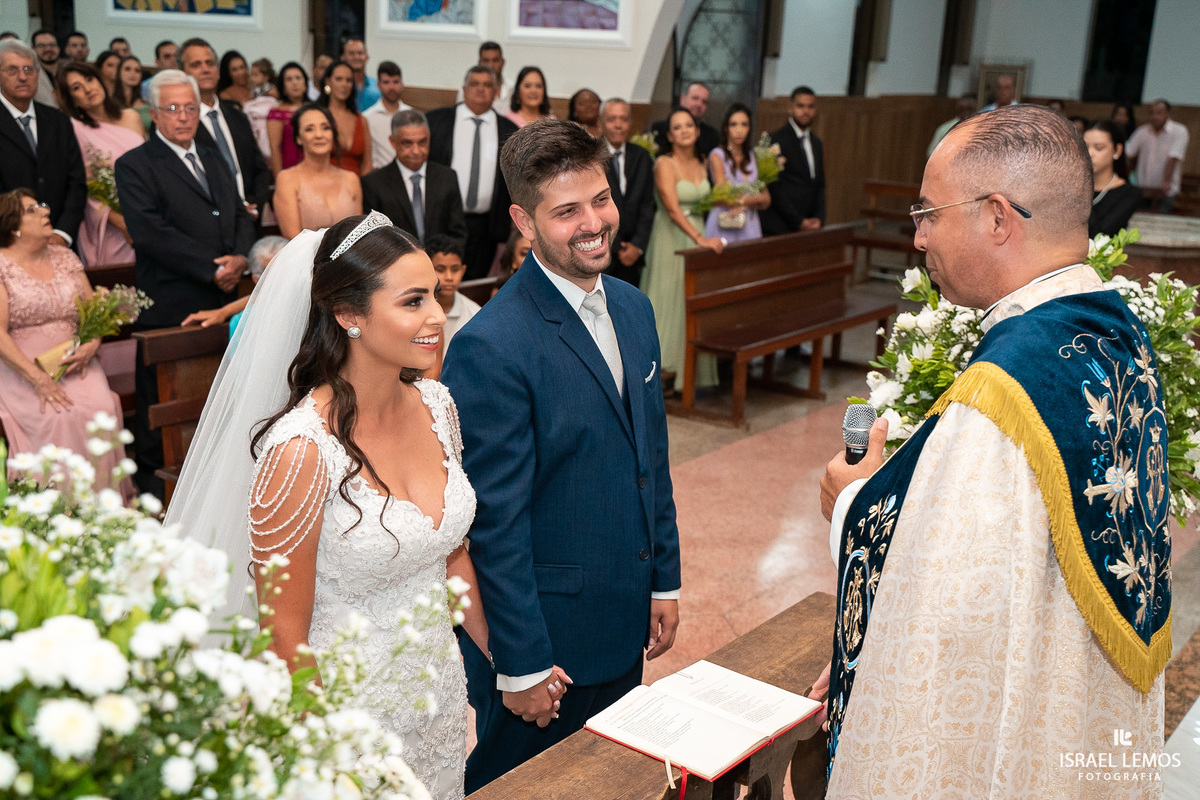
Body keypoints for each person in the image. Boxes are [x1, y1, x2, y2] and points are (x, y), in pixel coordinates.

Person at [817, 104, 1169, 799]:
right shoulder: (1115, 335)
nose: (918, 238)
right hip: (1062, 709)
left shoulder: (1009, 388)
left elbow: (951, 608)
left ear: (998, 218)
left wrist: (849, 499)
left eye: (928, 214)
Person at [166, 213, 491, 800]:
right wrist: (333, 756)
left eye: (437, 298)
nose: (438, 317)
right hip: (344, 720)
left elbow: (450, 557)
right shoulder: (299, 450)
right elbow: (282, 635)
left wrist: (512, 659)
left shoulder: (438, 406)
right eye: (413, 301)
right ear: (349, 315)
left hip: (436, 698)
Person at [442, 119, 680, 794]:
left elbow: (651, 459)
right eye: (566, 211)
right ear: (523, 220)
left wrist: (663, 578)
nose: (594, 223)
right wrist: (520, 664)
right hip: (547, 643)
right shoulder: (493, 344)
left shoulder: (633, 309)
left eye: (600, 200)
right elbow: (493, 522)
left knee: (610, 782)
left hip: (622, 612)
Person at [115, 69, 256, 496]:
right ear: (154, 115)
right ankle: (155, 487)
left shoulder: (213, 156)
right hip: (172, 298)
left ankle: (212, 479)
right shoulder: (135, 165)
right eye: (172, 109)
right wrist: (211, 266)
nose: (182, 117)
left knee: (218, 395)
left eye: (190, 108)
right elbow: (150, 233)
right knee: (164, 401)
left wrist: (239, 257)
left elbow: (237, 214)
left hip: (224, 294)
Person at [0, 188, 132, 499]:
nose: (46, 212)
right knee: (59, 416)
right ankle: (61, 512)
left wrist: (92, 344)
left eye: (44, 206)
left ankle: (105, 506)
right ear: (13, 226)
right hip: (23, 369)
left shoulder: (66, 257)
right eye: (33, 210)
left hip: (79, 361)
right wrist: (40, 381)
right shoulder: (2, 265)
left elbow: (94, 312)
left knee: (101, 408)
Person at [642, 108, 723, 394]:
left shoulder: (702, 162)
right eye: (677, 127)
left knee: (690, 302)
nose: (685, 130)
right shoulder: (664, 163)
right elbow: (673, 208)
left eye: (689, 125)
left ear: (697, 131)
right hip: (671, 237)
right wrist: (699, 238)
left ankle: (690, 373)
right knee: (668, 298)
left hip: (699, 233)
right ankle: (661, 372)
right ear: (669, 135)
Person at [427, 66, 518, 279]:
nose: (480, 89)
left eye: (487, 85)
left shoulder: (509, 129)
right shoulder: (437, 121)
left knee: (476, 282)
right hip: (443, 219)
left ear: (496, 92)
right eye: (474, 84)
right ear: (464, 88)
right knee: (440, 279)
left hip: (486, 225)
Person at [0, 39, 87, 250]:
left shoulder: (58, 120)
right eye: (12, 70)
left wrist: (62, 233)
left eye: (29, 69)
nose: (23, 77)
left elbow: (76, 183)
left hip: (59, 242)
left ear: (38, 74)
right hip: (7, 244)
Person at [56, 61, 145, 267]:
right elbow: (86, 187)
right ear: (72, 100)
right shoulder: (75, 130)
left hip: (147, 212)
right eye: (77, 88)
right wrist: (124, 223)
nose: (88, 89)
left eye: (89, 79)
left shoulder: (131, 116)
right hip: (112, 226)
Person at [179, 38, 273, 226]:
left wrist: (253, 204)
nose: (205, 69)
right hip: (206, 226)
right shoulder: (180, 123)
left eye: (210, 63)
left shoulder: (237, 116)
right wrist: (229, 210)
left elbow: (260, 170)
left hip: (250, 221)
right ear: (183, 73)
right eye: (196, 64)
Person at [362, 108, 464, 246]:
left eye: (422, 142)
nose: (416, 151)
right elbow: (373, 238)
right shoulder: (373, 184)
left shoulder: (447, 177)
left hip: (439, 263)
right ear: (393, 142)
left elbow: (458, 233)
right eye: (407, 143)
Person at [273, 104, 361, 239]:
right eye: (309, 129)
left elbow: (358, 234)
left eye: (325, 128)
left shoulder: (351, 178)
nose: (319, 135)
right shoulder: (287, 179)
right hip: (304, 258)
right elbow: (292, 236)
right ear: (298, 138)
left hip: (349, 259)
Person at [181, 234, 286, 334]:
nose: (283, 278)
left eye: (286, 268)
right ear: (256, 279)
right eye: (272, 273)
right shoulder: (242, 321)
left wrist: (225, 311)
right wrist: (224, 312)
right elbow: (261, 296)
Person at [600, 98, 654, 287]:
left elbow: (648, 204)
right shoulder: (591, 157)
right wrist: (615, 246)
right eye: (612, 119)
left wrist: (637, 245)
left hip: (633, 254)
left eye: (623, 119)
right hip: (601, 249)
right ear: (601, 122)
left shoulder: (642, 157)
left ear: (630, 122)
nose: (618, 125)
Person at [761, 85, 825, 235]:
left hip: (810, 224)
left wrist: (819, 218)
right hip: (780, 225)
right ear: (790, 108)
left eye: (810, 107)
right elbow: (774, 187)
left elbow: (820, 185)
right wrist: (798, 221)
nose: (805, 111)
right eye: (800, 106)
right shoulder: (773, 140)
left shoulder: (816, 143)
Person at [704, 102, 768, 243]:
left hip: (750, 224)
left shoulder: (753, 157)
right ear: (726, 128)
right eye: (734, 124)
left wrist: (743, 204)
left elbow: (766, 198)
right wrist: (754, 200)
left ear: (749, 128)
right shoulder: (717, 155)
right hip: (725, 221)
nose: (739, 130)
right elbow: (723, 196)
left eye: (744, 125)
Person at [1126, 99, 1190, 213]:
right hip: (1143, 189)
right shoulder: (1142, 131)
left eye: (1159, 113)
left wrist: (1166, 181)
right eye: (1152, 113)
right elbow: (1129, 152)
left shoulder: (1179, 131)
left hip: (1165, 191)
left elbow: (1174, 157)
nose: (1155, 117)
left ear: (1169, 113)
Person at [1086, 120, 1143, 238]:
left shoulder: (1129, 193)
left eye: (1099, 148)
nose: (1090, 153)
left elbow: (1100, 234)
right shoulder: (1070, 187)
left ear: (1117, 150)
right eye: (1084, 147)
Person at [425, 233, 478, 349]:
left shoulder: (474, 314)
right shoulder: (417, 309)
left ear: (463, 270)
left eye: (455, 269)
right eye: (440, 269)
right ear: (426, 269)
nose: (449, 277)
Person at [318, 59, 369, 175]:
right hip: (323, 185)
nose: (344, 85)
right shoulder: (317, 116)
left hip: (357, 186)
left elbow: (367, 164)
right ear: (328, 81)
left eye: (349, 80)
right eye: (339, 79)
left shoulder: (361, 119)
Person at [650, 82, 719, 163]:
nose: (699, 104)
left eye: (704, 102)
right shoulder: (660, 128)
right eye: (695, 98)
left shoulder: (712, 135)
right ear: (683, 99)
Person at [363, 60, 411, 170]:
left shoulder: (411, 115)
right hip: (378, 174)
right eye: (386, 82)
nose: (391, 87)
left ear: (402, 84)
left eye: (395, 82)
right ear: (378, 85)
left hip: (408, 173)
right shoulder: (367, 118)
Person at [266, 61, 309, 174]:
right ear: (283, 87)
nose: (295, 83)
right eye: (289, 79)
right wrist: (279, 179)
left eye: (298, 78)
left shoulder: (314, 109)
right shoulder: (277, 112)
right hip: (289, 171)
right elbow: (275, 149)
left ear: (305, 84)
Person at [456, 41, 512, 115]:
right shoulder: (468, 90)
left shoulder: (513, 88)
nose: (491, 65)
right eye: (486, 61)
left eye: (495, 60)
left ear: (502, 62)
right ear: (479, 63)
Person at [339, 38, 379, 112]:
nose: (356, 57)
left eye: (360, 53)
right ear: (343, 58)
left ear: (366, 57)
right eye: (351, 53)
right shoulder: (339, 87)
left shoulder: (378, 85)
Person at [116, 55, 151, 132]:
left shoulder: (148, 104)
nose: (133, 73)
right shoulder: (109, 103)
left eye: (137, 70)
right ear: (119, 72)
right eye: (127, 69)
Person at [30, 29, 59, 108]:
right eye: (41, 46)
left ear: (58, 48)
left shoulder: (68, 72)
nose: (48, 49)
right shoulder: (29, 75)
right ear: (33, 49)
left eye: (52, 45)